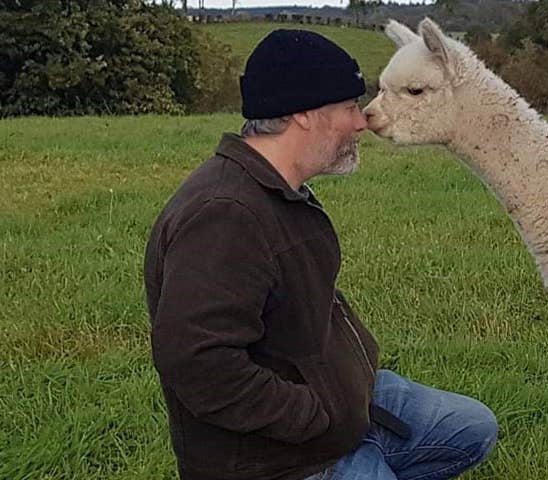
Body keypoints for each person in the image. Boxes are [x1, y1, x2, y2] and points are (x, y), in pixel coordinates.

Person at [143, 29, 498, 480]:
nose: (361, 122)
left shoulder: (279, 191)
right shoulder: (225, 216)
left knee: (471, 428)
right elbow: (198, 364)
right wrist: (317, 419)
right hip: (279, 458)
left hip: (345, 405)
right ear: (305, 115)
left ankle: (366, 452)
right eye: (349, 107)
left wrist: (346, 399)